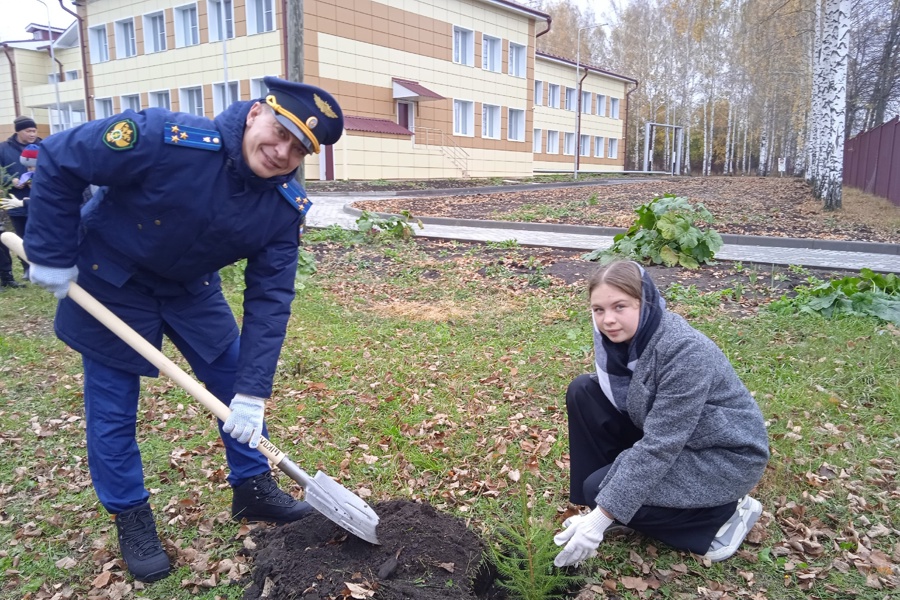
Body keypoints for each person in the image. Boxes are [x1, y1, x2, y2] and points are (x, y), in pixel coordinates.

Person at [21, 76, 344, 583]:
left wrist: (254, 394)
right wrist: (51, 253)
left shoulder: (282, 208)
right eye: (279, 131)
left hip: (191, 288)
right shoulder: (163, 137)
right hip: (110, 282)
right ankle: (131, 515)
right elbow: (61, 157)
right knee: (113, 407)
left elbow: (270, 299)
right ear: (258, 112)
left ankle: (253, 487)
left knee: (234, 376)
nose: (282, 151)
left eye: (299, 146)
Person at [553, 260, 769, 568]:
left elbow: (661, 444)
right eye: (598, 310)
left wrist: (602, 516)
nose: (608, 320)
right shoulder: (623, 342)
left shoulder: (684, 351)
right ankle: (613, 503)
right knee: (583, 390)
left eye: (620, 306)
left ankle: (722, 516)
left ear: (646, 302)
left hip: (722, 454)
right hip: (676, 432)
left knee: (599, 490)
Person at [0, 116, 41, 284]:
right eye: (28, 131)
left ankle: (40, 266)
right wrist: (11, 181)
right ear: (17, 131)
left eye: (34, 130)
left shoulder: (43, 146)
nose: (32, 134)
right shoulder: (4, 149)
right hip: (14, 200)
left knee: (38, 234)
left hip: (37, 200)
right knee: (21, 235)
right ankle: (26, 267)